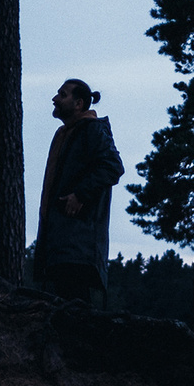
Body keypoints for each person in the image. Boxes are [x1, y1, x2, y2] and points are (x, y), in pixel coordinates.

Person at [31, 78, 123, 305]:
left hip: (78, 245)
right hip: (62, 242)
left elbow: (113, 166)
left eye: (62, 95)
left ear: (79, 103)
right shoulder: (67, 134)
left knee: (75, 310)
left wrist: (81, 195)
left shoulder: (91, 130)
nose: (55, 99)